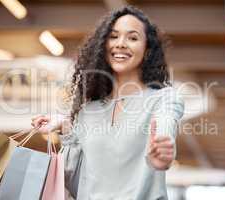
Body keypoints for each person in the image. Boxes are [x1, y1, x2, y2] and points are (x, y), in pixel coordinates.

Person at [31, 6, 184, 200]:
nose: (120, 43)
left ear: (147, 51)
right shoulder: (88, 111)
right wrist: (66, 127)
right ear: (103, 45)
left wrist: (163, 151)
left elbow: (166, 124)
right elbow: (77, 185)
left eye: (133, 37)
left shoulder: (163, 99)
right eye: (113, 36)